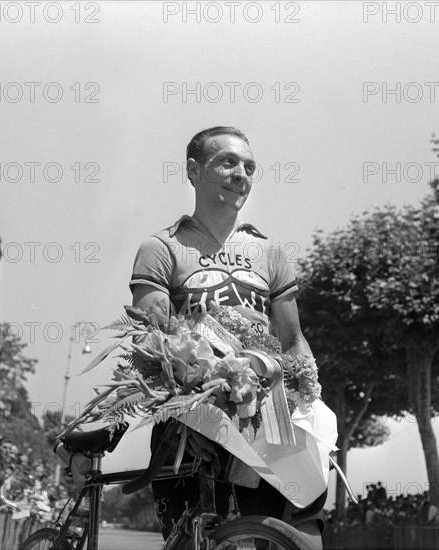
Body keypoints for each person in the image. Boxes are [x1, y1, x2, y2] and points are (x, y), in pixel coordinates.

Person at [129, 126, 325, 546]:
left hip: (265, 423)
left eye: (249, 167)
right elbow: (150, 339)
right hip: (185, 426)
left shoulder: (270, 253)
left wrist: (310, 401)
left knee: (274, 537)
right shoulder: (161, 247)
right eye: (228, 162)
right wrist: (200, 375)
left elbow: (292, 340)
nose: (242, 173)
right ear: (193, 171)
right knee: (190, 540)